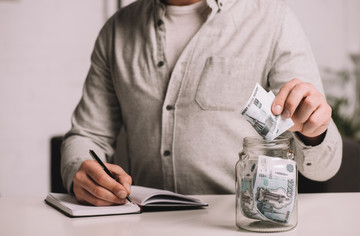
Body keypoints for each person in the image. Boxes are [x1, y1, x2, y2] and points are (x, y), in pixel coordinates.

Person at [61, 0, 342, 206]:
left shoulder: (273, 21)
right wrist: (79, 170)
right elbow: (87, 134)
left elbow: (323, 167)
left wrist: (314, 132)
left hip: (240, 223)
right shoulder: (116, 31)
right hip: (141, 223)